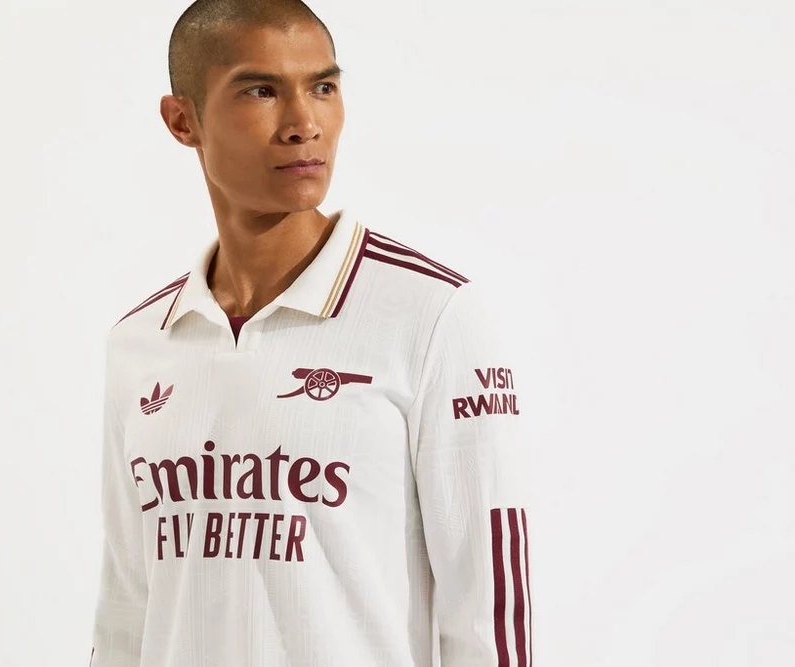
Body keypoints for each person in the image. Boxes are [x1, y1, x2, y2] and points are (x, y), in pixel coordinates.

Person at [89, 1, 534, 665]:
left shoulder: (434, 315)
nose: (305, 124)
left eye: (323, 87)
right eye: (261, 91)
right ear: (183, 121)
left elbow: (488, 615)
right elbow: (126, 608)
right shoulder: (141, 342)